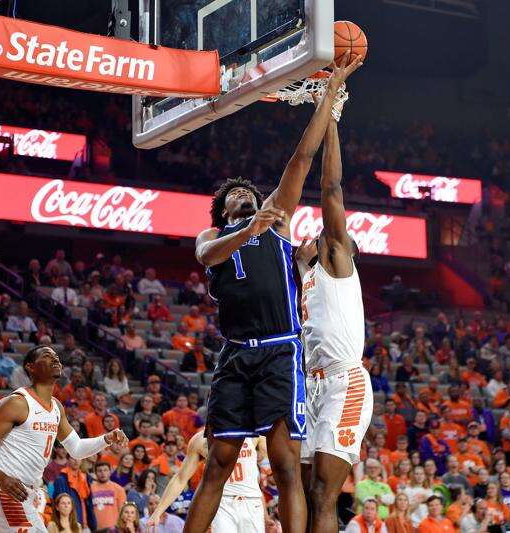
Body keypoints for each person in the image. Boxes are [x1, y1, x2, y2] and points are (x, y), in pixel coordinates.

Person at [187, 56, 363, 533]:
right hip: (235, 355)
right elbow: (209, 256)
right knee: (217, 466)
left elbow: (301, 160)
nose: (245, 196)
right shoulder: (214, 237)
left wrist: (329, 98)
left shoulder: (277, 218)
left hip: (280, 351)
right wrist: (250, 228)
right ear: (223, 211)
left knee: (286, 465)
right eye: (235, 197)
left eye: (250, 193)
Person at [292, 97, 373, 533]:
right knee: (304, 495)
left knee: (324, 494)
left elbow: (331, 188)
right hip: (312, 386)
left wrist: (333, 117)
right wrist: (298, 261)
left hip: (344, 382)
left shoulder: (340, 260)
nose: (330, 233)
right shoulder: (304, 271)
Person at [0, 345, 128, 533]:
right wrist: (2, 478)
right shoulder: (17, 403)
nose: (55, 359)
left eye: (56, 356)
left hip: (29, 492)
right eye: (47, 356)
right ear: (31, 367)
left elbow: (76, 449)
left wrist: (107, 439)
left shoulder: (56, 408)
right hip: (7, 490)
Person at [148, 430, 267, 532]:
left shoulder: (252, 433)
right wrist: (158, 511)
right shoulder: (200, 440)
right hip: (221, 502)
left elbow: (272, 460)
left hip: (252, 500)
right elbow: (180, 478)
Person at [90, 461, 126, 531]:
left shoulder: (119, 489)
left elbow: (122, 511)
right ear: (95, 473)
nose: (103, 473)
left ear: (110, 471)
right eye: (99, 471)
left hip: (114, 529)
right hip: (95, 529)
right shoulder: (89, 488)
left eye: (105, 470)